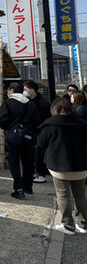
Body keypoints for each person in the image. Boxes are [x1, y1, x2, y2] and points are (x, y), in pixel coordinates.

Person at [37, 97, 87, 235]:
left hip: (59, 166)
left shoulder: (51, 124)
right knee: (80, 195)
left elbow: (40, 142)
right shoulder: (81, 123)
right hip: (81, 166)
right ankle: (83, 224)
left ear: (54, 109)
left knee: (63, 195)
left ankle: (68, 225)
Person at [0, 82, 41, 200]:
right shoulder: (30, 104)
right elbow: (37, 121)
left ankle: (18, 189)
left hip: (13, 137)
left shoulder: (7, 103)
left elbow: (3, 120)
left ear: (11, 90)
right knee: (28, 162)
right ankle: (28, 187)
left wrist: (9, 128)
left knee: (14, 162)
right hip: (27, 137)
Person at [23, 81, 51, 184]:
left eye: (26, 89)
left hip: (39, 131)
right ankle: (34, 172)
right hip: (30, 131)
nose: (24, 91)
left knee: (39, 153)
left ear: (32, 90)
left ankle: (41, 174)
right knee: (30, 153)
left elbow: (43, 118)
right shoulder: (27, 101)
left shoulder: (42, 102)